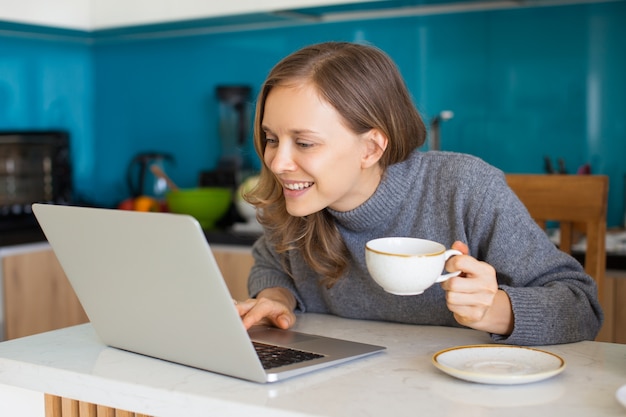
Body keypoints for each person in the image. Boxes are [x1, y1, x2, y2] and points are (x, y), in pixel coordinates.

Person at [234, 41, 603, 346]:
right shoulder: (298, 201)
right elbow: (271, 265)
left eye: (304, 142)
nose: (277, 162)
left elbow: (582, 307)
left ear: (371, 148)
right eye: (270, 139)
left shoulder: (465, 187)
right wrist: (275, 299)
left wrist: (499, 310)